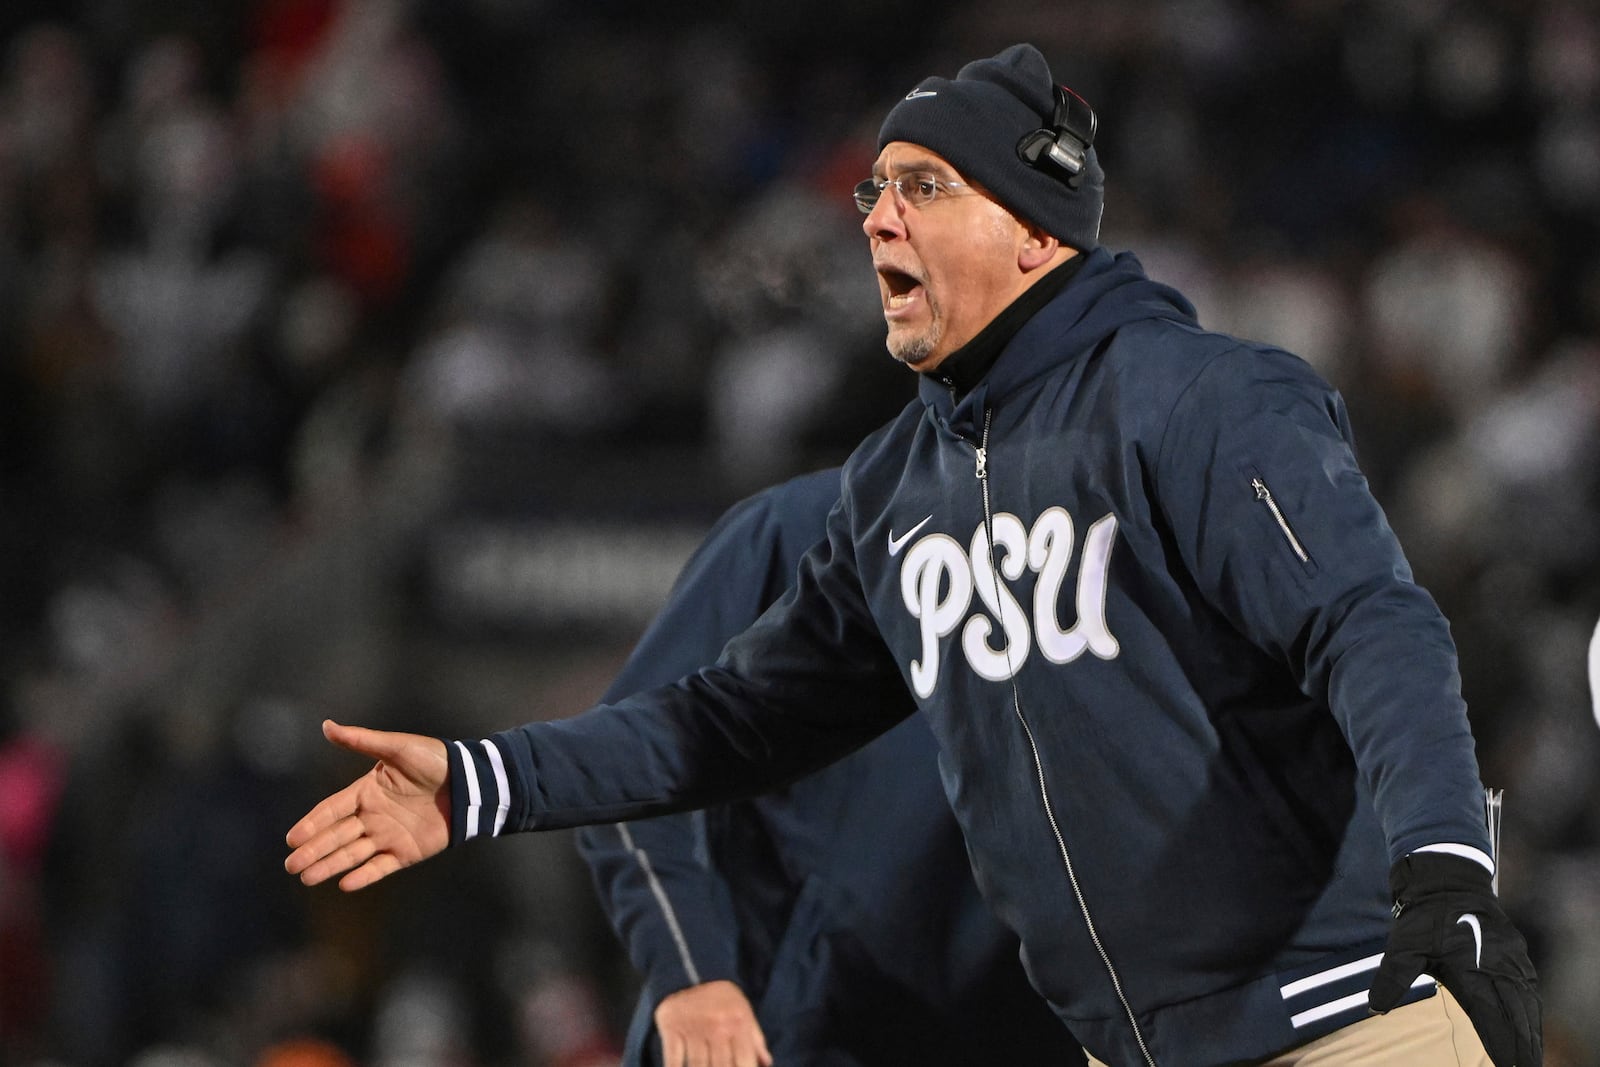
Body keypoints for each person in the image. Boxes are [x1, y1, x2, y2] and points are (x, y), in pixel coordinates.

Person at [286, 43, 1542, 1066]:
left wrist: (1445, 871)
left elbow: (1370, 624)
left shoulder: (1197, 397)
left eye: (924, 185)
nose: (877, 214)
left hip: (1344, 1018)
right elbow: (725, 721)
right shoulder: (894, 490)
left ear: (1037, 231)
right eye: (872, 188)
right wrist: (483, 781)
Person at [573, 467, 1077, 1066]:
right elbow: (628, 774)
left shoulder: (1117, 544)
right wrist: (693, 973)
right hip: (771, 1035)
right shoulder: (800, 525)